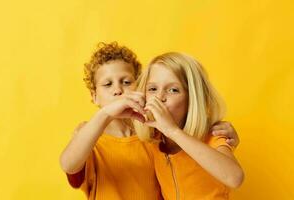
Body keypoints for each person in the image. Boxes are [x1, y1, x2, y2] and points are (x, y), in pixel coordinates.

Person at [60, 42, 240, 200]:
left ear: (140, 88)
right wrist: (103, 115)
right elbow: (68, 165)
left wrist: (226, 136)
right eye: (108, 84)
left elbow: (227, 172)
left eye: (126, 82)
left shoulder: (154, 135)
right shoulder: (89, 139)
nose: (118, 90)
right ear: (94, 96)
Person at [134, 52, 244, 199]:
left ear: (192, 98)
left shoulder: (213, 135)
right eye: (152, 89)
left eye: (173, 90)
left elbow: (235, 178)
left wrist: (172, 131)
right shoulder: (153, 140)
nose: (159, 98)